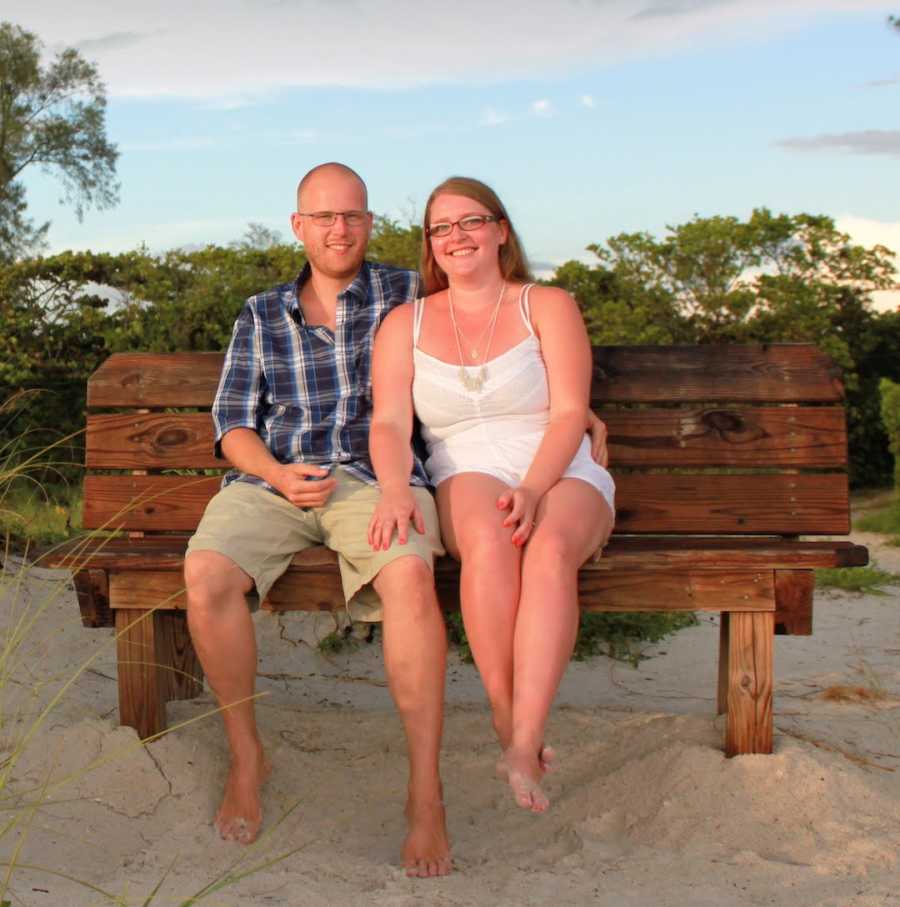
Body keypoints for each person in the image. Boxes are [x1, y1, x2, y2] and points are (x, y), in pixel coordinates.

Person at [183, 162, 452, 877]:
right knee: (206, 574)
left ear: (369, 223)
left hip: (379, 479)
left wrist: (577, 412)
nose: (340, 229)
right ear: (298, 226)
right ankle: (248, 753)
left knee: (410, 580)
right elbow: (233, 424)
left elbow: (493, 341)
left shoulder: (410, 294)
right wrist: (273, 473)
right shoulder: (261, 313)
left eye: (353, 216)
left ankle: (426, 792)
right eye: (324, 217)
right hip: (275, 479)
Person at [368, 176, 615, 815]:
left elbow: (569, 412)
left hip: (557, 462)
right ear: (430, 244)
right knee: (488, 538)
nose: (458, 237)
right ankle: (508, 718)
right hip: (466, 464)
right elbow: (391, 422)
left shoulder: (547, 304)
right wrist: (395, 487)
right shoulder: (405, 322)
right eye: (442, 228)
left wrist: (536, 486)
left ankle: (526, 736)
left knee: (551, 546)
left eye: (471, 222)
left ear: (501, 230)